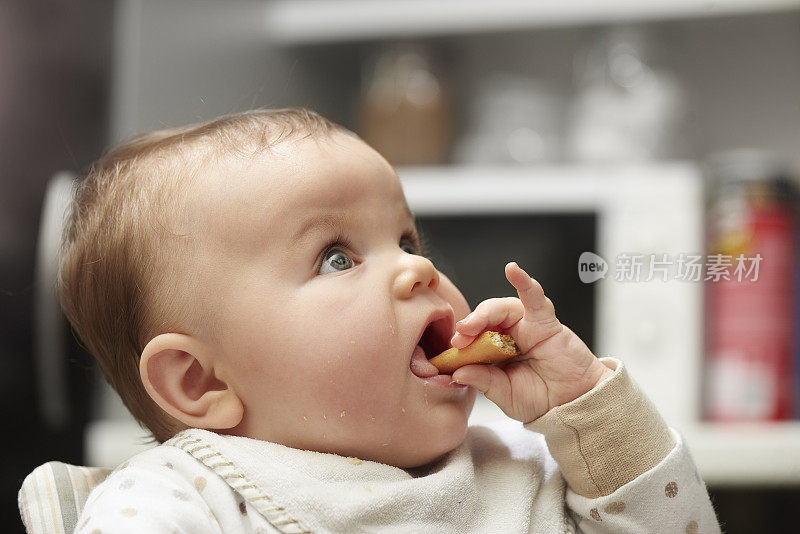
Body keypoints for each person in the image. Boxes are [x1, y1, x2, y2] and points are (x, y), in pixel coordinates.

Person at [60, 108, 720, 533]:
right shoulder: (180, 503)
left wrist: (587, 406)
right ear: (202, 381)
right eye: (337, 257)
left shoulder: (521, 470)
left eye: (406, 240)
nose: (416, 271)